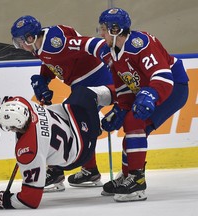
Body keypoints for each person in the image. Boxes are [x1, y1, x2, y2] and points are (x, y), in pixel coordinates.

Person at [75, 8, 189, 202]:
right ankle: (129, 175)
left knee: (135, 122)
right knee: (130, 121)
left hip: (173, 87)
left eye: (104, 29)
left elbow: (162, 76)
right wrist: (121, 107)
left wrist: (150, 95)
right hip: (146, 89)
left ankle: (136, 180)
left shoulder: (141, 44)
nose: (101, 33)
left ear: (115, 29)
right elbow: (123, 83)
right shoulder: (108, 52)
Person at [10, 15, 114, 192]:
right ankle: (89, 171)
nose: (21, 46)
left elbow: (94, 45)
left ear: (30, 37)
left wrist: (113, 62)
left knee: (67, 124)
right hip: (82, 83)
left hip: (95, 81)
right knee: (76, 123)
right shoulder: (41, 45)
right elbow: (52, 60)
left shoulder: (54, 43)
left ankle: (57, 172)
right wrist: (43, 78)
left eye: (21, 41)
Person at [0, 86, 111, 209]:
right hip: (74, 124)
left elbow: (30, 200)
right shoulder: (24, 104)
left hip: (79, 153)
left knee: (82, 91)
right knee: (85, 92)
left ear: (13, 128)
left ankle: (124, 98)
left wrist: (0, 200)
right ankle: (124, 97)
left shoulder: (28, 149)